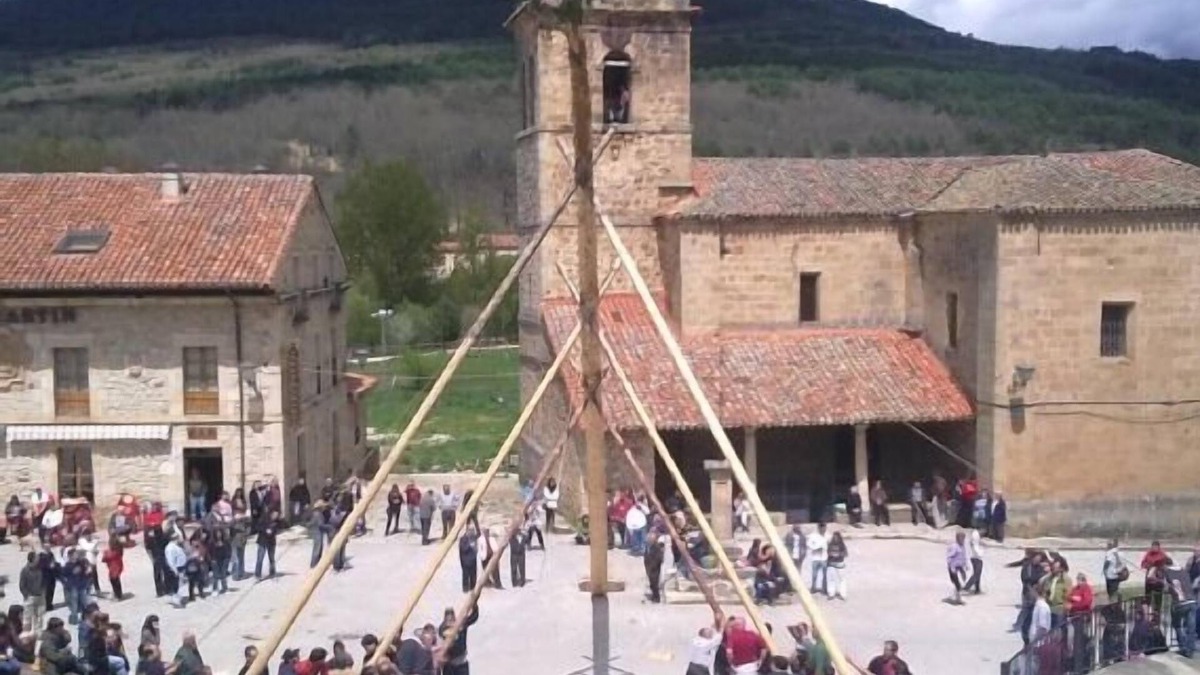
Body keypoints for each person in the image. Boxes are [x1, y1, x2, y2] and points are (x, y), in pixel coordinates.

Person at [1167, 562, 1197, 658]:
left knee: (1177, 625)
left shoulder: (1167, 572)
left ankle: (1183, 647)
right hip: (1192, 601)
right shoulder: (1184, 571)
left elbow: (1166, 587)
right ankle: (1190, 650)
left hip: (1180, 603)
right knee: (1191, 627)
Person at [438, 605, 479, 675]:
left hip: (461, 664)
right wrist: (450, 629)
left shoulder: (461, 625)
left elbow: (473, 617)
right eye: (448, 619)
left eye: (451, 619)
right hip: (449, 666)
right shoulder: (443, 629)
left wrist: (474, 605)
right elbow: (441, 632)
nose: (450, 621)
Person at [19, 552, 44, 632]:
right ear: (32, 559)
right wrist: (27, 595)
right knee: (27, 618)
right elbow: (22, 585)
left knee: (39, 616)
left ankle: (38, 632)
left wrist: (43, 591)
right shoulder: (25, 570)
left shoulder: (40, 568)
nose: (39, 559)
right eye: (37, 558)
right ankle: (26, 633)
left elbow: (44, 580)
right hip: (30, 597)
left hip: (40, 596)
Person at [256, 510, 282, 579]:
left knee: (272, 558)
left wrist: (280, 520)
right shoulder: (264, 519)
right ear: (272, 513)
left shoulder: (277, 522)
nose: (275, 516)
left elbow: (283, 526)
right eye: (275, 514)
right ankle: (257, 574)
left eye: (277, 515)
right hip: (263, 541)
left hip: (271, 542)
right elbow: (258, 527)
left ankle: (272, 572)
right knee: (260, 558)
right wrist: (265, 530)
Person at [946, 530, 969, 605]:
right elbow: (949, 557)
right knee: (957, 583)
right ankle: (958, 598)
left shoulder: (962, 546)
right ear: (957, 538)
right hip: (953, 567)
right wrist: (951, 568)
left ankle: (957, 595)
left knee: (964, 579)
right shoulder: (954, 546)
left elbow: (964, 556)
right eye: (961, 538)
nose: (963, 540)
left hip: (960, 566)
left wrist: (966, 565)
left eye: (963, 538)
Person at [806, 523, 828, 595]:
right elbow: (809, 544)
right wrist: (815, 548)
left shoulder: (828, 535)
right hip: (815, 558)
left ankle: (824, 589)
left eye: (824, 527)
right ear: (818, 528)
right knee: (814, 574)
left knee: (825, 575)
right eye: (821, 528)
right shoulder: (813, 536)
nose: (823, 529)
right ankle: (813, 588)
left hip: (824, 558)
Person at [826, 531, 848, 600]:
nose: (835, 538)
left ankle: (843, 594)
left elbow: (846, 554)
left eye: (836, 537)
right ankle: (831, 593)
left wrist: (838, 555)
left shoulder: (842, 545)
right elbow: (827, 552)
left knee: (842, 580)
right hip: (831, 564)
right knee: (831, 579)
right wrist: (831, 554)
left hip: (840, 564)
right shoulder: (830, 544)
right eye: (834, 537)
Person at [645, 532, 664, 603]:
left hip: (655, 568)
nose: (648, 540)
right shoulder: (648, 546)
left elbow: (659, 558)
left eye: (650, 539)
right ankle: (653, 596)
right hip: (649, 567)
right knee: (651, 583)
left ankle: (657, 598)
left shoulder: (657, 547)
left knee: (655, 583)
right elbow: (646, 556)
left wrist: (653, 565)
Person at [963, 527, 984, 594]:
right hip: (976, 557)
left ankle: (977, 589)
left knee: (977, 574)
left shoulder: (974, 536)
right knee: (976, 574)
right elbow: (975, 547)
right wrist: (980, 554)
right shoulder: (975, 537)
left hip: (974, 557)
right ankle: (967, 587)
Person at [458, 527, 479, 593]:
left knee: (473, 575)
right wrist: (470, 546)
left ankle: (473, 587)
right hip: (465, 561)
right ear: (467, 531)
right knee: (465, 575)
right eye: (471, 531)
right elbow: (463, 549)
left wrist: (476, 522)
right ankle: (465, 588)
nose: (472, 532)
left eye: (473, 530)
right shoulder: (463, 539)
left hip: (473, 560)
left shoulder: (474, 537)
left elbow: (479, 534)